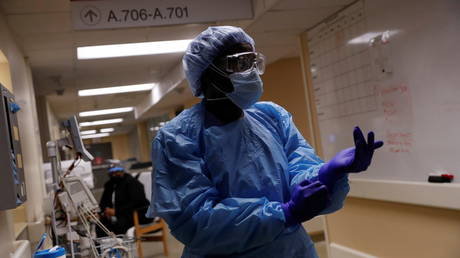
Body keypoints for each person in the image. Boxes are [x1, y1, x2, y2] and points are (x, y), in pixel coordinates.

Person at [146, 26, 384, 257]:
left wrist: (327, 175)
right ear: (208, 74)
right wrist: (284, 213)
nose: (250, 71)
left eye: (253, 61)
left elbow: (298, 175)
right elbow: (196, 221)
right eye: (239, 63)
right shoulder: (177, 137)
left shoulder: (271, 116)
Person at [97, 166, 152, 237]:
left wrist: (116, 212)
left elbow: (137, 202)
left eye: (116, 172)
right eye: (112, 173)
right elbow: (103, 202)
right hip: (114, 216)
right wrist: (105, 211)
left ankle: (121, 246)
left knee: (118, 226)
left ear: (122, 171)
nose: (114, 175)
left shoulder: (132, 183)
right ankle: (104, 247)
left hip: (134, 215)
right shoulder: (109, 185)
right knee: (99, 226)